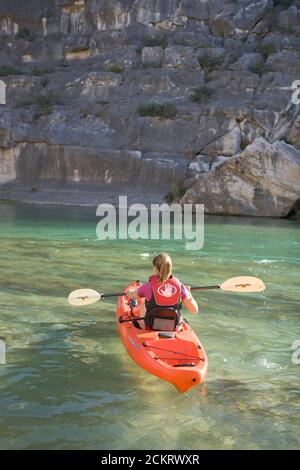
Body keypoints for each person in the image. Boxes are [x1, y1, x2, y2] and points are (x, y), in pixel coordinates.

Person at [127, 253, 198, 330]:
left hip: (151, 326)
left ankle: (138, 321)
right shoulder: (181, 287)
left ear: (154, 268)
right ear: (170, 268)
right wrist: (188, 294)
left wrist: (129, 292)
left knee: (144, 305)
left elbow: (131, 296)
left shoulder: (147, 287)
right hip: (174, 327)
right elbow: (194, 310)